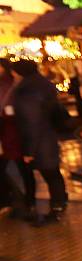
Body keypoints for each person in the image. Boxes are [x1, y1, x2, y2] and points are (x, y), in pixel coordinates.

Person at [11, 59, 67, 226]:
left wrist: (29, 151)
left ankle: (56, 209)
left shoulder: (27, 90)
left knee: (50, 175)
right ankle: (59, 204)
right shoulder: (43, 84)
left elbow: (31, 122)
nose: (12, 74)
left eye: (15, 71)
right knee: (54, 174)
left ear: (20, 72)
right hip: (48, 137)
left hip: (40, 142)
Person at [0, 58, 35, 220]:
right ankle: (12, 200)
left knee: (25, 170)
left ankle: (28, 202)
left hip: (17, 134)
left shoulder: (16, 86)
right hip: (6, 136)